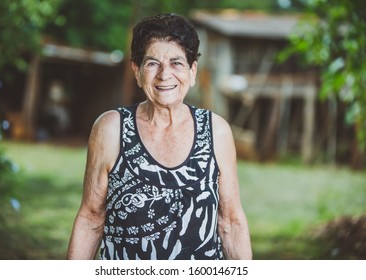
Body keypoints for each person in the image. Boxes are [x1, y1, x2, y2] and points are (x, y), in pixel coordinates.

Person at [67, 13, 252, 260]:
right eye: (153, 63)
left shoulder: (216, 132)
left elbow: (230, 222)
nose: (165, 74)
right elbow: (91, 218)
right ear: (137, 71)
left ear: (192, 71)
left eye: (177, 63)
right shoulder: (111, 129)